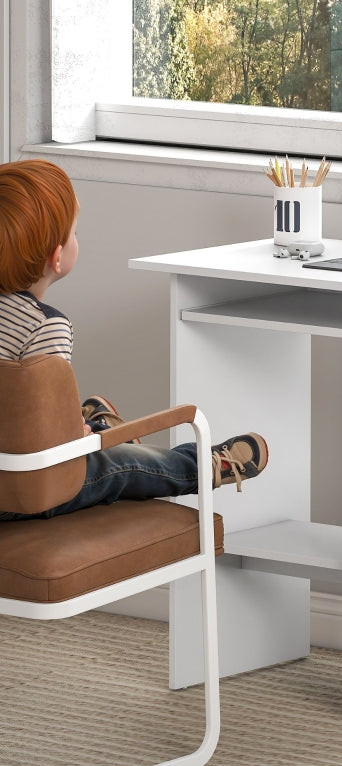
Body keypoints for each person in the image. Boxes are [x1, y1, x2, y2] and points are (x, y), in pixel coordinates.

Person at [0, 159, 268, 521]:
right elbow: (50, 448)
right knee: (119, 465)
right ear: (57, 258)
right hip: (23, 492)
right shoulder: (45, 326)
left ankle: (98, 426)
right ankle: (202, 464)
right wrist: (71, 436)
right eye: (74, 232)